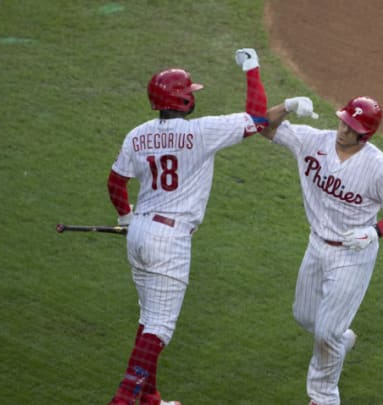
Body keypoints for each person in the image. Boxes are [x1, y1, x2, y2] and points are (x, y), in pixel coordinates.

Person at [105, 48, 269, 405]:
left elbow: (116, 182)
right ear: (180, 99)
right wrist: (251, 68)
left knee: (149, 320)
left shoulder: (137, 135)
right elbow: (258, 118)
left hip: (139, 235)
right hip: (170, 240)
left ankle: (149, 398)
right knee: (159, 330)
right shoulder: (200, 132)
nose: (194, 95)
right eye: (190, 92)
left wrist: (125, 217)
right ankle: (123, 398)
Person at [261, 95, 383, 405]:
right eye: (344, 121)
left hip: (352, 255)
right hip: (316, 245)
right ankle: (343, 340)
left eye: (352, 127)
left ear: (365, 134)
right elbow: (263, 126)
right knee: (305, 317)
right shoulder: (312, 140)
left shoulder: (378, 167)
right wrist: (288, 105)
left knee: (326, 332)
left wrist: (375, 232)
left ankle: (324, 397)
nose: (343, 129)